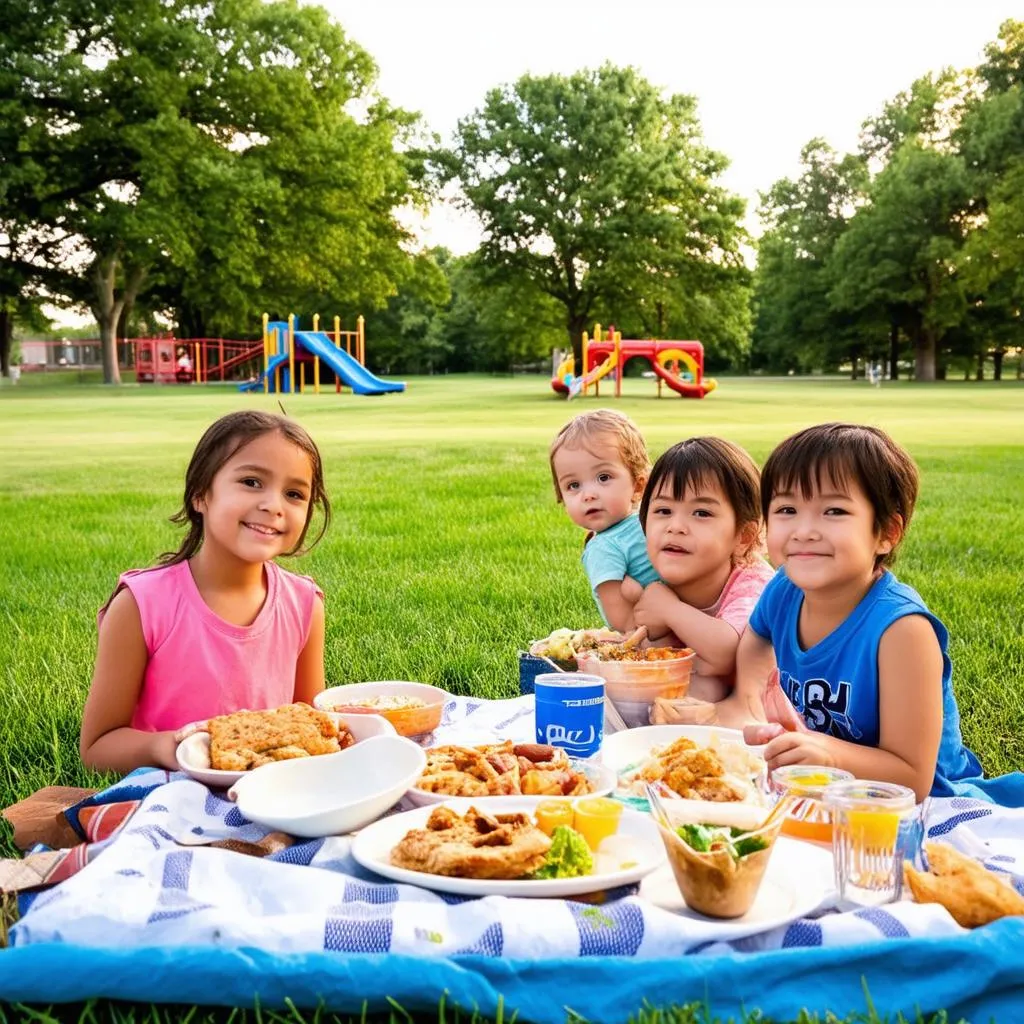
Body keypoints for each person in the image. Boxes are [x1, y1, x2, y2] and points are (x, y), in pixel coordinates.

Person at [717, 422, 1005, 803]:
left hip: (924, 803)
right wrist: (748, 704)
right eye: (787, 509)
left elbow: (913, 777)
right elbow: (754, 644)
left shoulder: (902, 630)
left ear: (886, 532)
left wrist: (827, 754)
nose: (804, 530)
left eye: (834, 511)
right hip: (823, 784)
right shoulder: (784, 588)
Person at [80, 411, 331, 773]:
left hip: (269, 796)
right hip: (168, 795)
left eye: (294, 494)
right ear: (200, 494)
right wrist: (169, 748)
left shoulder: (305, 604)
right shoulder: (141, 605)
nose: (274, 505)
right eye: (251, 482)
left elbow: (307, 724)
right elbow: (97, 747)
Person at [632, 437, 774, 706]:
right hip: (723, 691)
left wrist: (669, 610)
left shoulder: (755, 584)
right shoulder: (669, 574)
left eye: (701, 513)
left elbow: (727, 654)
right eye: (663, 510)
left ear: (743, 536)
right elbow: (655, 650)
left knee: (705, 688)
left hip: (774, 705)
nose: (676, 526)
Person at [549, 409, 658, 631]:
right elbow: (624, 622)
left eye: (603, 477)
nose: (587, 495)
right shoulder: (603, 549)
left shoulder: (651, 520)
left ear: (638, 485)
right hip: (655, 638)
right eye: (573, 485)